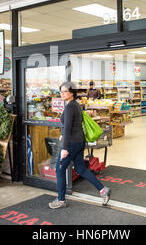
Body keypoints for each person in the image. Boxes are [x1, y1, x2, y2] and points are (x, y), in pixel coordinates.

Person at [49, 81, 111, 209]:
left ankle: (61, 200)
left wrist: (65, 148)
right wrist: (62, 133)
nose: (62, 94)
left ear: (72, 93)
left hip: (71, 143)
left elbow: (67, 128)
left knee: (59, 170)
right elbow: (70, 124)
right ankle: (103, 190)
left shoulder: (70, 106)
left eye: (64, 91)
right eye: (60, 91)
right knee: (81, 169)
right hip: (79, 142)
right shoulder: (76, 105)